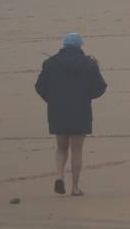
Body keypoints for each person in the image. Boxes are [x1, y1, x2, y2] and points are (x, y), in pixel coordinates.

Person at [34, 32, 107, 196]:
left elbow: (40, 87)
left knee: (61, 148)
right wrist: (86, 96)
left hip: (58, 110)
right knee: (77, 150)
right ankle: (74, 187)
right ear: (79, 46)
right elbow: (100, 87)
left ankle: (59, 176)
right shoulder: (89, 63)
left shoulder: (50, 63)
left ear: (64, 46)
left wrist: (52, 100)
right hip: (80, 110)